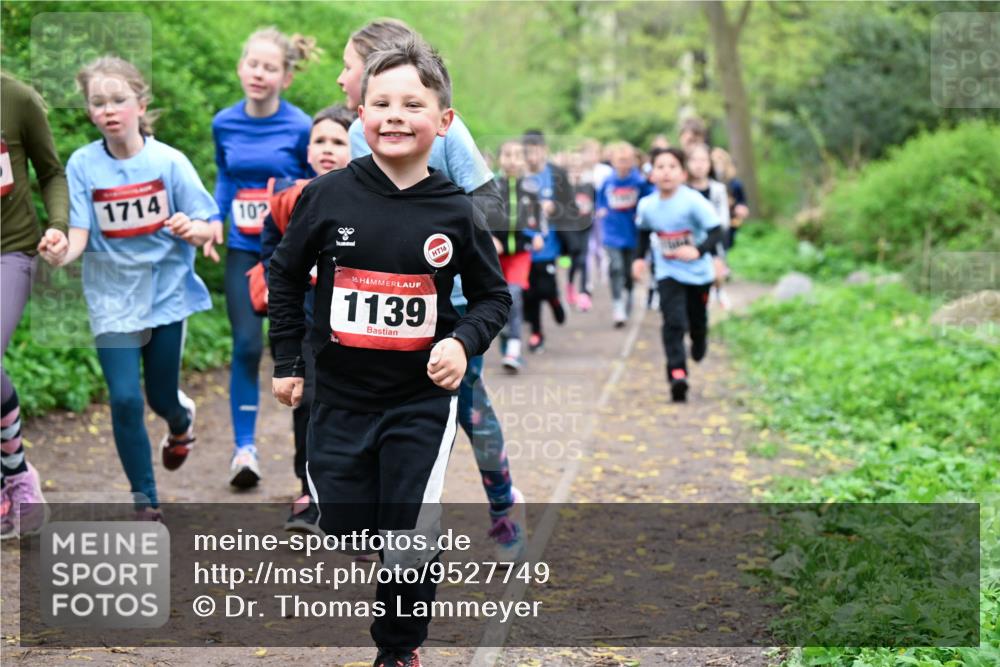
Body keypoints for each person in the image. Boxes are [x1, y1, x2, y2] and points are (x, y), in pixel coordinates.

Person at [268, 39, 511, 667]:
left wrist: (461, 341)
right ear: (361, 115)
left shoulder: (456, 210)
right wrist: (289, 361)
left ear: (444, 121)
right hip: (339, 395)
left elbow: (493, 297)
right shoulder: (326, 197)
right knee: (346, 522)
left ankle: (399, 648)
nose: (395, 116)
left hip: (420, 398)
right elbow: (285, 275)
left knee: (410, 526)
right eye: (381, 103)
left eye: (412, 104)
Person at [339, 18, 527, 560]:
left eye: (347, 66)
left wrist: (434, 226)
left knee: (464, 411)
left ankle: (502, 506)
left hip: (453, 311)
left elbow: (489, 204)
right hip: (381, 308)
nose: (340, 78)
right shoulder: (357, 135)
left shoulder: (447, 132)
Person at [38, 56, 219, 518]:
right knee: (123, 398)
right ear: (89, 111)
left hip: (165, 294)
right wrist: (60, 251)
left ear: (140, 103)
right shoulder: (83, 164)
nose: (109, 110)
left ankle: (180, 421)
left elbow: (210, 224)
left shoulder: (168, 161)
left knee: (161, 398)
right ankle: (146, 502)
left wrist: (191, 228)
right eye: (98, 103)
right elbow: (79, 234)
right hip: (112, 299)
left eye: (118, 99)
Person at [212, 27, 319, 489]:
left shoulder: (300, 126)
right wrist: (213, 218)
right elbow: (225, 177)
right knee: (246, 345)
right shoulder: (224, 123)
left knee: (291, 348)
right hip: (242, 248)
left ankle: (310, 462)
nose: (259, 73)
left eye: (269, 68)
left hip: (287, 254)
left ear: (286, 77)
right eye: (252, 64)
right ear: (241, 68)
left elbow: (312, 184)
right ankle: (244, 450)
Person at [257, 104, 354, 534]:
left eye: (338, 141)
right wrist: (280, 285)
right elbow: (272, 252)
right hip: (306, 321)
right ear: (308, 149)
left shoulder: (366, 199)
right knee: (308, 401)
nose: (327, 149)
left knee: (352, 406)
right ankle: (309, 493)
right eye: (320, 141)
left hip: (355, 325)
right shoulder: (287, 199)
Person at [0, 73, 68, 539]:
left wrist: (57, 224)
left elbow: (51, 172)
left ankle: (18, 475)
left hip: (11, 250)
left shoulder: (17, 99)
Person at [632, 148, 724, 402]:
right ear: (651, 175)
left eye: (672, 167)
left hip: (699, 274)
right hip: (668, 272)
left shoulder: (693, 201)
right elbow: (643, 232)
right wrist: (639, 259)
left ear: (683, 173)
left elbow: (716, 231)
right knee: (673, 322)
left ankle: (699, 339)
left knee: (696, 321)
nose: (666, 172)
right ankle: (677, 372)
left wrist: (698, 250)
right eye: (660, 167)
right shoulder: (647, 205)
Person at [492, 140, 542, 371]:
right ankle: (504, 332)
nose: (512, 161)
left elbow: (538, 218)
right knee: (496, 300)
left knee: (514, 295)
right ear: (499, 159)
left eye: (517, 156)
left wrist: (538, 234)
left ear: (524, 160)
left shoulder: (530, 187)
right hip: (495, 254)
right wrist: (489, 237)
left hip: (520, 253)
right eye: (507, 155)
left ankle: (514, 349)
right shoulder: (491, 186)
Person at [595, 141, 653, 327]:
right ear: (612, 161)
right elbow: (600, 200)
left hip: (632, 234)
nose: (623, 164)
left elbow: (649, 197)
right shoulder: (608, 181)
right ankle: (617, 304)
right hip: (612, 233)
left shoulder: (639, 181)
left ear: (633, 161)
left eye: (627, 160)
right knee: (616, 267)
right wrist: (601, 209)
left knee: (629, 272)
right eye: (620, 160)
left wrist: (641, 212)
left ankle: (628, 297)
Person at [686, 143, 731, 309]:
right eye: (694, 160)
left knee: (717, 271)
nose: (699, 165)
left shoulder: (718, 189)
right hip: (689, 240)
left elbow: (723, 219)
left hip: (713, 238)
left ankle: (718, 291)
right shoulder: (682, 190)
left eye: (703, 160)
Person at [564, 150, 595, 312]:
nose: (576, 173)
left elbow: (595, 203)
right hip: (571, 230)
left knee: (583, 260)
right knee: (575, 260)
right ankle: (570, 285)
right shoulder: (564, 189)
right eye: (573, 169)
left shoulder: (588, 187)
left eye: (578, 169)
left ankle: (584, 293)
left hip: (585, 228)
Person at [710, 146, 750, 248]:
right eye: (714, 160)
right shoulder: (708, 182)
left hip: (730, 223)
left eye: (720, 159)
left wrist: (738, 207)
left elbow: (742, 202)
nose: (717, 163)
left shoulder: (735, 183)